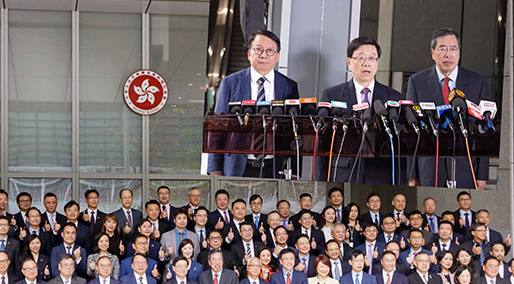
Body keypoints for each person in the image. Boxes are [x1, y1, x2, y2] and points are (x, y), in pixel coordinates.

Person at [208, 29, 300, 177]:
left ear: (277, 56)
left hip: (274, 167)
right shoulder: (230, 83)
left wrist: (294, 172)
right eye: (258, 49)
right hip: (237, 167)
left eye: (270, 51)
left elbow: (295, 130)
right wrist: (214, 169)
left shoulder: (289, 86)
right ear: (249, 53)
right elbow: (217, 128)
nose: (264, 55)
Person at [405, 28, 489, 189]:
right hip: (429, 167)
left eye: (453, 49)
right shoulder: (417, 82)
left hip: (465, 167)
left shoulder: (477, 82)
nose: (448, 54)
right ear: (433, 53)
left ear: (459, 52)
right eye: (442, 49)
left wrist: (482, 174)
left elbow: (483, 130)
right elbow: (411, 131)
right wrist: (411, 173)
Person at [319, 36, 401, 183]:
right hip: (343, 171)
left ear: (377, 63)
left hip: (380, 171)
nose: (366, 63)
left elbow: (399, 141)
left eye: (372, 58)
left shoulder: (393, 96)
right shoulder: (332, 94)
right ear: (349, 62)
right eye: (361, 58)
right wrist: (320, 179)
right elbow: (323, 141)